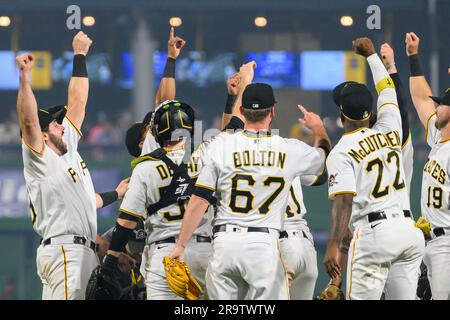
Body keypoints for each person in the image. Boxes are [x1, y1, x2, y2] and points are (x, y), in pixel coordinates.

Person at [170, 73, 331, 299]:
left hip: (225, 243)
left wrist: (181, 245)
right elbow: (324, 160)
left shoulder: (220, 145)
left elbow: (199, 200)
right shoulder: (289, 149)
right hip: (263, 245)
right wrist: (319, 130)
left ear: (243, 112)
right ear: (272, 112)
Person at [323, 37, 424, 300]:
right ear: (370, 113)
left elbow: (344, 201)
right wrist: (371, 55)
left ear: (342, 116)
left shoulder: (341, 151)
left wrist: (333, 244)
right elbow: (387, 88)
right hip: (408, 232)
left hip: (375, 235)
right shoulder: (391, 126)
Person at [17, 31, 101, 300]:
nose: (60, 124)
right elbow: (29, 122)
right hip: (67, 251)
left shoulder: (69, 146)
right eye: (54, 123)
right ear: (42, 135)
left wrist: (79, 56)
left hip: (76, 253)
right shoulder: (39, 158)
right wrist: (25, 78)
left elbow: (78, 101)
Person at [100, 100, 213, 300]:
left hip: (165, 253)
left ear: (157, 132)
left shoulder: (144, 168)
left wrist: (110, 262)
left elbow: (126, 221)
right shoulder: (208, 155)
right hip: (207, 250)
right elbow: (232, 131)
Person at [406, 31, 450, 300]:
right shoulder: (438, 137)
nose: (436, 108)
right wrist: (413, 57)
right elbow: (421, 98)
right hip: (431, 242)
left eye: (442, 105)